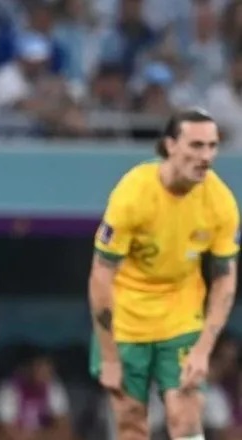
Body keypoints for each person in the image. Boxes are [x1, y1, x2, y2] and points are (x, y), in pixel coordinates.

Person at [88, 108, 240, 440]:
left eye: (212, 146)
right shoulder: (133, 193)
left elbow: (225, 278)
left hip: (181, 320)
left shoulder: (221, 202)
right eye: (196, 145)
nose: (206, 156)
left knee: (185, 417)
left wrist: (203, 349)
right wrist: (109, 356)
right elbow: (101, 275)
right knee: (131, 424)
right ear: (170, 145)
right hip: (126, 322)